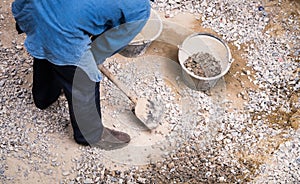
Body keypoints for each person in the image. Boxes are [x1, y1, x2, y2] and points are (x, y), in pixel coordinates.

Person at [12, 0, 151, 150]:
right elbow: (107, 44)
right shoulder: (139, 9)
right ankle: (90, 135)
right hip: (60, 30)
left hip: (32, 10)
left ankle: (44, 98)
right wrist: (90, 60)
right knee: (83, 79)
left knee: (46, 48)